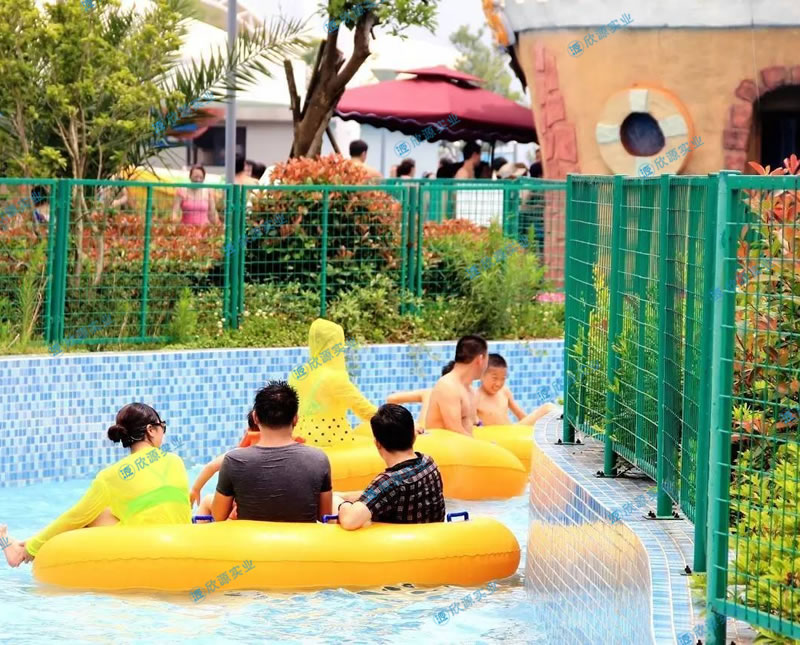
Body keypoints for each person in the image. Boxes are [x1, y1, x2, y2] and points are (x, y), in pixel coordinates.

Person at [1, 403, 191, 568]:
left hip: (145, 550)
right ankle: (23, 546)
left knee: (91, 516)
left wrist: (33, 546)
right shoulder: (176, 461)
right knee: (109, 511)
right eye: (162, 426)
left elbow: (74, 517)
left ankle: (20, 552)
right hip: (181, 545)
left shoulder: (111, 476)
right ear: (151, 430)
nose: (163, 432)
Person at [211, 381, 332, 523]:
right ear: (296, 419)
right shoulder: (318, 459)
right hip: (302, 538)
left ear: (255, 417)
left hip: (251, 537)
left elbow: (218, 516)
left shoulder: (234, 460)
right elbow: (325, 516)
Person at [336, 404, 445, 530]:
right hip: (435, 537)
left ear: (377, 444)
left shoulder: (389, 481)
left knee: (335, 503)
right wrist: (344, 495)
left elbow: (349, 521)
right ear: (413, 436)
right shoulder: (428, 462)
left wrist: (342, 504)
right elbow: (382, 493)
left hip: (399, 541)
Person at [289, 319, 377, 446]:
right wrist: (397, 422)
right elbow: (367, 411)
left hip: (299, 440)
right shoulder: (334, 377)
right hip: (333, 442)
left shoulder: (297, 374)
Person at [425, 335, 488, 436]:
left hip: (461, 444)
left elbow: (469, 429)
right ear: (480, 359)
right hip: (442, 445)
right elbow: (454, 431)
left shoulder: (470, 390)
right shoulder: (448, 386)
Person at [477, 354, 556, 426]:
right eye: (494, 378)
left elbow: (520, 414)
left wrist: (530, 425)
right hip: (494, 435)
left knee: (548, 408)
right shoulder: (476, 397)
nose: (498, 383)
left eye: (503, 379)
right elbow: (474, 426)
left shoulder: (504, 391)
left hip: (511, 432)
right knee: (548, 408)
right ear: (481, 375)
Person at [387, 361, 454, 427]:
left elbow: (392, 398)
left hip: (422, 431)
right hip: (430, 432)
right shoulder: (432, 393)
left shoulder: (429, 392)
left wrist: (411, 426)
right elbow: (393, 399)